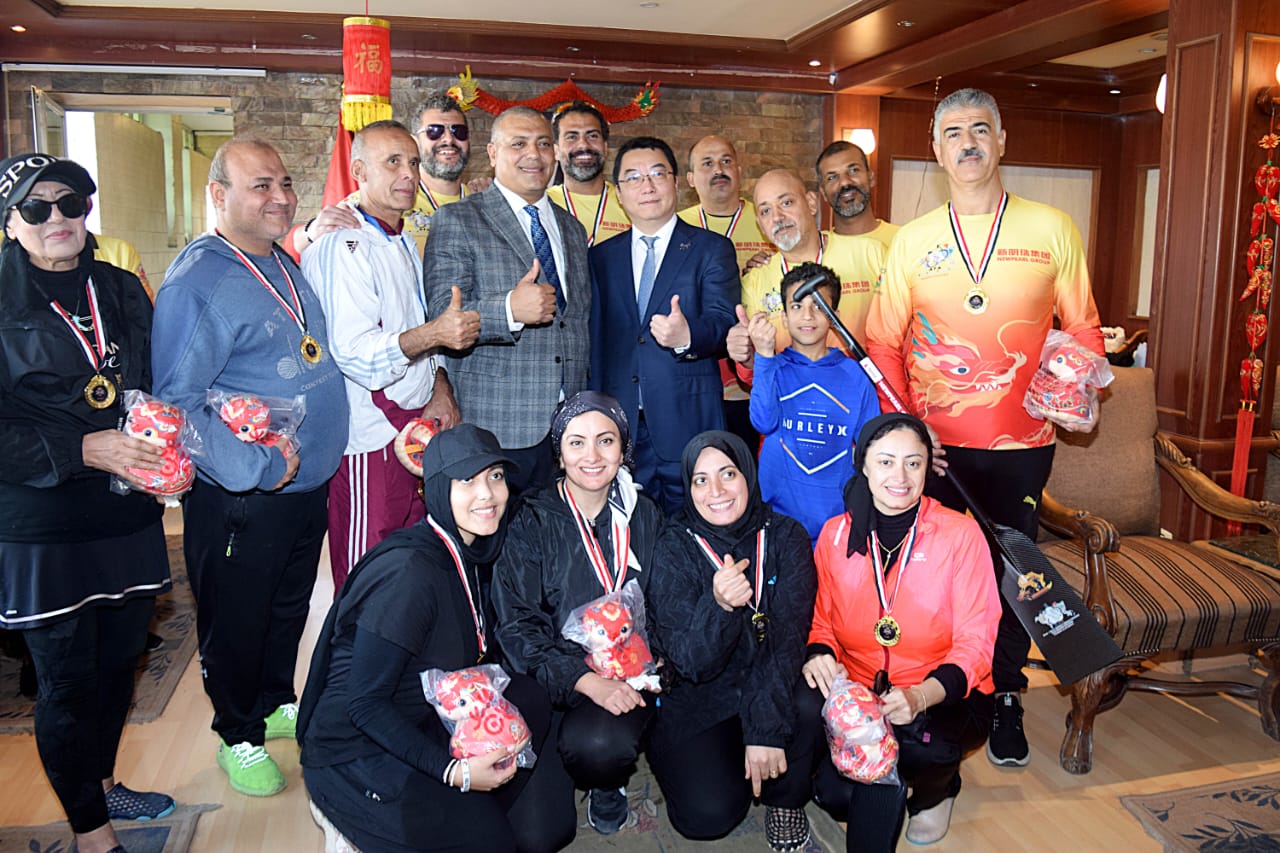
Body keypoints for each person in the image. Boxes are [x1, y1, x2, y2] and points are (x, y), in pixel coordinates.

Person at [865, 88, 1104, 768]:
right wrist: (911, 432)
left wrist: (1075, 388)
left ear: (1001, 141)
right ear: (936, 151)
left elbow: (1084, 328)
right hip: (932, 452)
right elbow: (882, 342)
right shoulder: (911, 241)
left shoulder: (1052, 227)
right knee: (928, 574)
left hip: (1020, 446)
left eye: (979, 129)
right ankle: (931, 691)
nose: (967, 142)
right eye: (952, 132)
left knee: (1013, 574)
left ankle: (1004, 694)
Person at [152, 137, 349, 797]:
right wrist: (259, 465)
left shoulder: (278, 259)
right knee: (236, 618)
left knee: (286, 605)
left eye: (284, 182)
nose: (281, 196)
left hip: (302, 486)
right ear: (219, 195)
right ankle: (236, 732)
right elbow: (175, 404)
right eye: (261, 185)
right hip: (243, 493)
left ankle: (271, 699)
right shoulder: (198, 279)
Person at [0, 153, 174, 853]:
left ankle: (102, 784)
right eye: (36, 207)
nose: (57, 218)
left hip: (125, 508)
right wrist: (79, 449)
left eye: (69, 203)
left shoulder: (120, 287)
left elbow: (153, 381)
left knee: (120, 663)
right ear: (10, 222)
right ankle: (92, 834)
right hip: (43, 523)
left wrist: (168, 446)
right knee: (67, 683)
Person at [298, 423, 575, 853]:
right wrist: (454, 773)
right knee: (491, 844)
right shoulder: (410, 574)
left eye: (495, 477)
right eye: (467, 480)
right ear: (438, 490)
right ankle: (353, 822)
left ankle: (456, 819)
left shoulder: (475, 547)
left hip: (425, 715)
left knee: (542, 822)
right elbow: (365, 705)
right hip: (356, 751)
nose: (487, 494)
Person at [798, 413, 1000, 849]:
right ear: (863, 465)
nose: (901, 477)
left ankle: (936, 793)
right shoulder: (835, 535)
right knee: (835, 798)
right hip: (861, 690)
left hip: (942, 692)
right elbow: (822, 618)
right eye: (886, 462)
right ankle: (889, 778)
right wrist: (820, 652)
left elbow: (977, 640)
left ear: (928, 467)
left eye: (914, 463)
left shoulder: (960, 535)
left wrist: (921, 696)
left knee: (928, 751)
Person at [302, 120, 480, 592]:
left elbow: (416, 326)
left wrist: (440, 385)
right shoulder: (342, 243)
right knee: (369, 578)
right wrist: (435, 334)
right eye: (393, 162)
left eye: (414, 163)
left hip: (413, 429)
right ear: (359, 171)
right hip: (370, 440)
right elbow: (356, 355)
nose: (409, 174)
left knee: (410, 572)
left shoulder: (399, 237)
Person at [492, 392, 665, 836]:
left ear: (623, 450)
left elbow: (664, 602)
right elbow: (516, 624)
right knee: (539, 836)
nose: (592, 456)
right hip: (551, 679)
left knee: (598, 747)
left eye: (606, 441)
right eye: (576, 442)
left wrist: (650, 662)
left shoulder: (644, 513)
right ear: (559, 453)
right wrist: (584, 680)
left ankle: (607, 781)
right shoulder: (531, 519)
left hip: (627, 673)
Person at [647, 432, 817, 853]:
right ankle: (739, 768)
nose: (717, 491)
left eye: (728, 474)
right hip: (703, 695)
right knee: (706, 817)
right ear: (688, 488)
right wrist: (720, 606)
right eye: (701, 480)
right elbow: (691, 663)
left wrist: (764, 730)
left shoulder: (787, 536)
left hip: (772, 678)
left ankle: (784, 799)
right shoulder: (672, 545)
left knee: (812, 694)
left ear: (748, 476)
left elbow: (787, 641)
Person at [423, 105, 591, 495]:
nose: (534, 154)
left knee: (561, 529)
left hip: (570, 426)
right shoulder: (458, 220)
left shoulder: (571, 227)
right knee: (496, 530)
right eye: (519, 144)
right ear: (493, 153)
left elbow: (577, 321)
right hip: (498, 423)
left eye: (543, 144)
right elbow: (442, 316)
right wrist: (508, 311)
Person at [589, 136, 737, 512]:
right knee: (628, 530)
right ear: (619, 193)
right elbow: (596, 341)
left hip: (687, 420)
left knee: (694, 526)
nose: (647, 186)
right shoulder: (600, 258)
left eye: (657, 174)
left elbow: (724, 322)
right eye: (634, 177)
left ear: (675, 182)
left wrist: (688, 336)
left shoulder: (711, 248)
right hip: (619, 426)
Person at [748, 263, 880, 543]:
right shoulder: (774, 367)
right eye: (797, 306)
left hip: (836, 522)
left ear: (834, 317)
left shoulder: (855, 375)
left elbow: (871, 448)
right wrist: (763, 355)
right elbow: (763, 421)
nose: (807, 315)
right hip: (778, 521)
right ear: (784, 317)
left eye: (818, 306)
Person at [730, 168, 884, 369]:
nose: (777, 217)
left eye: (786, 203)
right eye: (766, 211)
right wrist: (746, 355)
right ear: (760, 225)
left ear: (811, 203)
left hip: (865, 386)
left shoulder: (871, 254)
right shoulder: (754, 282)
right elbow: (758, 372)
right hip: (791, 389)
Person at [294, 92, 477, 257]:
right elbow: (304, 242)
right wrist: (309, 232)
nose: (448, 139)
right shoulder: (387, 197)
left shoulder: (480, 199)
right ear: (414, 141)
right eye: (434, 131)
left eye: (458, 131)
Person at [678, 134, 773, 449]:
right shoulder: (676, 227)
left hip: (753, 381)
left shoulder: (766, 220)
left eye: (726, 161)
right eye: (707, 163)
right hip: (695, 379)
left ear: (740, 171)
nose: (718, 169)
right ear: (690, 179)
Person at [547, 101, 629, 246]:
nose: (583, 145)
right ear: (556, 151)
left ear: (605, 147)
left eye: (592, 136)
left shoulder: (630, 202)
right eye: (571, 137)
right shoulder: (542, 204)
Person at [815, 141, 899, 249]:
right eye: (832, 177)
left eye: (853, 170)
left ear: (871, 178)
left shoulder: (902, 240)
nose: (845, 182)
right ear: (823, 193)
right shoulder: (818, 249)